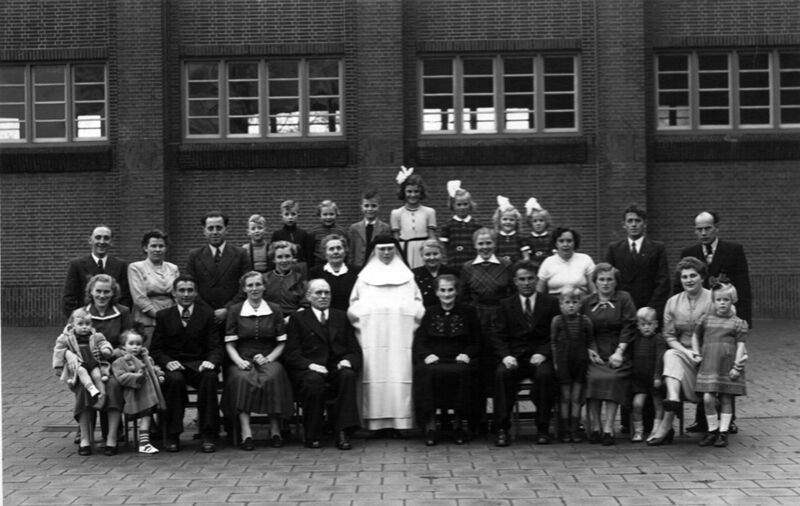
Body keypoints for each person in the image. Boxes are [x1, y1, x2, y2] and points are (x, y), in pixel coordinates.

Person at [680, 211, 751, 435]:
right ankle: (703, 420)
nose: (703, 233)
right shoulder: (689, 253)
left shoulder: (733, 250)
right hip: (703, 321)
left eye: (707, 228)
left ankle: (729, 420)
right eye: (699, 229)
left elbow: (744, 286)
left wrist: (744, 322)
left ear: (716, 228)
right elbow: (681, 286)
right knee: (705, 370)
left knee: (728, 367)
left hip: (728, 320)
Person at [348, 234, 425, 433]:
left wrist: (408, 317)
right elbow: (354, 305)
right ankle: (373, 424)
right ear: (374, 251)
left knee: (400, 375)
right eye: (382, 249)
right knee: (373, 377)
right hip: (371, 336)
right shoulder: (364, 278)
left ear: (396, 250)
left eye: (390, 248)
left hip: (401, 335)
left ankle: (402, 423)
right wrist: (364, 318)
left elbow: (418, 303)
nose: (386, 252)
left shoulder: (407, 277)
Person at [605, 203, 670, 435]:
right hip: (625, 315)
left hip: (648, 317)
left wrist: (650, 311)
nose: (633, 225)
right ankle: (628, 421)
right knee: (628, 363)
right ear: (624, 224)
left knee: (649, 364)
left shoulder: (657, 248)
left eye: (637, 221)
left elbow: (662, 280)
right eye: (630, 221)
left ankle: (651, 420)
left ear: (644, 224)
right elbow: (611, 282)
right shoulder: (615, 249)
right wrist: (624, 310)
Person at [284, 279, 363, 449]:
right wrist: (310, 365)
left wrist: (347, 360)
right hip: (309, 369)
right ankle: (312, 433)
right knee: (313, 381)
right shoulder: (298, 318)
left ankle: (342, 431)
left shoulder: (341, 316)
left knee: (347, 375)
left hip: (335, 367)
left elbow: (354, 350)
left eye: (327, 293)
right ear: (308, 296)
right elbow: (291, 353)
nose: (323, 296)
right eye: (318, 293)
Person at [491, 260, 561, 447]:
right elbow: (498, 335)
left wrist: (544, 353)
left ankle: (543, 428)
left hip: (539, 356)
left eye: (530, 278)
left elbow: (556, 334)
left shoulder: (550, 303)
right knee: (502, 374)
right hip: (514, 357)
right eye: (522, 279)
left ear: (537, 279)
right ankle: (502, 429)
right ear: (515, 281)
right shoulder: (506, 305)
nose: (526, 283)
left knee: (545, 375)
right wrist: (506, 355)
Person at [150, 275, 223, 453]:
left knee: (210, 377)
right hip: (175, 365)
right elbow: (156, 349)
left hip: (199, 364)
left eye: (190, 290)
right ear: (174, 293)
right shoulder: (164, 316)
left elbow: (215, 346)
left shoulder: (206, 314)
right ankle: (173, 434)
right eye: (181, 290)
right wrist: (167, 362)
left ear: (196, 293)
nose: (186, 294)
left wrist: (211, 362)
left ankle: (208, 434)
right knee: (174, 380)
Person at [223, 271, 294, 450]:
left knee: (273, 376)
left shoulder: (275, 309)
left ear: (264, 287)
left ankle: (275, 429)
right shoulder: (235, 310)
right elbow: (230, 344)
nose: (254, 289)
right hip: (242, 356)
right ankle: (246, 432)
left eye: (258, 284)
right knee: (242, 378)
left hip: (268, 355)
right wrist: (238, 361)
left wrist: (269, 358)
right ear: (244, 289)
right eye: (250, 285)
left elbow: (282, 342)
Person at [648, 257, 713, 446]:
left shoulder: (713, 299)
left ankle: (666, 425)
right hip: (685, 356)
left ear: (702, 277)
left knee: (671, 361)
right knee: (670, 354)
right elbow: (669, 336)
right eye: (685, 277)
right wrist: (686, 352)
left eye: (693, 275)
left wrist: (702, 352)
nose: (689, 280)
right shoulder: (673, 302)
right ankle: (673, 398)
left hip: (709, 358)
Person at [413, 274, 480, 446]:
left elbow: (477, 340)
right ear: (437, 292)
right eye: (442, 290)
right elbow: (420, 340)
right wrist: (427, 355)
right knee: (426, 373)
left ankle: (458, 426)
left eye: (450, 290)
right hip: (435, 359)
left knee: (463, 374)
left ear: (456, 291)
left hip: (459, 359)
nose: (447, 294)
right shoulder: (429, 312)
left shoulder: (469, 312)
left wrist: (467, 354)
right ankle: (431, 427)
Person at [70, 274, 132, 455]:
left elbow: (128, 340)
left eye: (107, 291)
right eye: (98, 291)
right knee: (84, 387)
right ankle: (85, 438)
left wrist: (114, 352)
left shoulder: (123, 312)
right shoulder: (80, 313)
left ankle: (112, 438)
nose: (102, 295)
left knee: (113, 386)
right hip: (84, 366)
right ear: (91, 291)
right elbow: (67, 339)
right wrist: (70, 356)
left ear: (113, 292)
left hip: (113, 364)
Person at [460, 227, 513, 431]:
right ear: (475, 245)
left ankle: (501, 421)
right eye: (481, 243)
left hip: (501, 321)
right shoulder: (467, 268)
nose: (485, 247)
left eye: (488, 243)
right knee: (478, 370)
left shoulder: (506, 265)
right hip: (477, 322)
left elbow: (511, 294)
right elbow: (464, 296)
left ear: (495, 244)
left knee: (499, 371)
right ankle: (479, 420)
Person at [581, 263, 637, 446]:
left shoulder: (624, 298)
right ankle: (596, 426)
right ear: (595, 282)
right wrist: (589, 350)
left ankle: (608, 427)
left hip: (619, 352)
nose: (605, 283)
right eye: (601, 279)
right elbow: (581, 329)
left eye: (609, 279)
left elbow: (629, 326)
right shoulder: (586, 302)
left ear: (615, 281)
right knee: (593, 377)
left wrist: (619, 352)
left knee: (613, 378)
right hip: (595, 353)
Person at [693, 283, 749, 448]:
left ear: (733, 301)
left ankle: (723, 432)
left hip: (727, 365)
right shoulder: (706, 319)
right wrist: (696, 353)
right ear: (713, 301)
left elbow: (740, 345)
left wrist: (737, 367)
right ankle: (712, 430)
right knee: (707, 397)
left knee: (726, 398)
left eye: (726, 300)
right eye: (718, 300)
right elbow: (695, 336)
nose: (722, 303)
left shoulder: (737, 323)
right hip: (709, 364)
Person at [185, 211, 250, 329]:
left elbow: (246, 286)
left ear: (226, 230)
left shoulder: (241, 254)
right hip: (204, 317)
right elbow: (191, 287)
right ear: (204, 231)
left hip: (233, 317)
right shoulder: (194, 255)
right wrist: (208, 311)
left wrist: (227, 309)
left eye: (219, 228)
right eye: (210, 228)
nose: (215, 232)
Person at [550, 286, 593, 443]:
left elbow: (590, 341)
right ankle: (564, 430)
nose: (571, 306)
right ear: (561, 304)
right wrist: (555, 362)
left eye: (574, 302)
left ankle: (574, 429)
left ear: (580, 304)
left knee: (576, 397)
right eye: (567, 302)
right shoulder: (557, 321)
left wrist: (592, 355)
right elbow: (553, 343)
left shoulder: (585, 321)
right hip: (563, 362)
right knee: (565, 397)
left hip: (580, 362)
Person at [111, 330, 166, 454]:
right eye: (131, 344)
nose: (135, 347)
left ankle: (144, 442)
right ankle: (144, 443)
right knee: (145, 414)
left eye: (138, 344)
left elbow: (153, 370)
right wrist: (137, 377)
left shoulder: (147, 358)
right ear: (123, 346)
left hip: (148, 393)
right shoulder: (120, 361)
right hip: (134, 394)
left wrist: (158, 375)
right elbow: (121, 377)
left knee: (147, 415)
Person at [53, 308, 114, 415]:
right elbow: (59, 349)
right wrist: (58, 365)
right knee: (81, 372)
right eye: (80, 324)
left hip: (93, 361)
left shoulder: (96, 336)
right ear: (73, 325)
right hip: (79, 363)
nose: (84, 327)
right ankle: (91, 388)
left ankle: (102, 394)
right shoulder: (67, 337)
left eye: (87, 324)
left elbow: (103, 342)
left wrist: (106, 349)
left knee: (97, 375)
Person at [63, 225, 131, 317]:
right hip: (86, 320)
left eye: (106, 238)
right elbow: (69, 298)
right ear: (90, 240)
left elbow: (126, 297)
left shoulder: (121, 265)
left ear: (111, 242)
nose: (102, 242)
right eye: (98, 237)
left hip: (113, 320)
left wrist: (119, 317)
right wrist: (77, 319)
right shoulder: (77, 265)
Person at [127, 229, 179, 345]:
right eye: (153, 246)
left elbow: (177, 295)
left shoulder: (173, 268)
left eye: (161, 246)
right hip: (147, 321)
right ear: (146, 248)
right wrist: (160, 316)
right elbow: (139, 298)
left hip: (171, 320)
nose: (157, 249)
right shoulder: (136, 268)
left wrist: (174, 316)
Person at [629, 307, 665, 443]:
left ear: (656, 324)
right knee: (637, 404)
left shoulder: (658, 339)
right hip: (640, 380)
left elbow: (660, 358)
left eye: (649, 324)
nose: (646, 327)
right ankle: (638, 431)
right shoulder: (636, 340)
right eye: (643, 324)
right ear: (638, 326)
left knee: (658, 405)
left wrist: (658, 376)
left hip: (654, 379)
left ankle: (656, 430)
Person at [390, 167, 437, 269]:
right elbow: (396, 238)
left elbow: (432, 236)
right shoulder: (396, 213)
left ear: (421, 192)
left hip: (423, 250)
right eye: (409, 191)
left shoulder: (429, 212)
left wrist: (433, 252)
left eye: (416, 191)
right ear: (403, 192)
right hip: (404, 250)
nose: (413, 195)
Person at [537, 227, 596, 295]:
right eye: (561, 241)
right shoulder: (548, 262)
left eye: (569, 241)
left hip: (580, 299)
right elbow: (539, 292)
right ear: (555, 243)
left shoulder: (585, 259)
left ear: (575, 242)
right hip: (555, 301)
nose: (565, 244)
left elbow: (594, 291)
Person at [308, 234, 359, 312]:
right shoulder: (315, 273)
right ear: (325, 253)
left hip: (351, 315)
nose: (336, 252)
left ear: (345, 251)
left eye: (339, 248)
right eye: (331, 249)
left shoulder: (357, 272)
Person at [439, 181, 480, 271]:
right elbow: (444, 246)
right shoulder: (448, 226)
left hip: (472, 264)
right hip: (454, 264)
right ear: (453, 205)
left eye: (465, 204)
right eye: (459, 204)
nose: (462, 207)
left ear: (470, 205)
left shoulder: (476, 225)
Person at [347, 190, 391, 268]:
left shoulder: (385, 228)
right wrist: (351, 268)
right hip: (358, 267)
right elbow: (351, 252)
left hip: (377, 266)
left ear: (379, 207)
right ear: (361, 207)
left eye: (373, 206)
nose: (370, 209)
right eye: (366, 206)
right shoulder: (354, 228)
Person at [263, 240, 307, 317]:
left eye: (287, 256)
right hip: (269, 318)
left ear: (293, 258)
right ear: (273, 259)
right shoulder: (265, 278)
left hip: (294, 318)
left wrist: (292, 318)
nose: (284, 260)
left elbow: (305, 304)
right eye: (280, 257)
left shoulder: (299, 279)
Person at [412, 239, 459, 308]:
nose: (432, 257)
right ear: (422, 256)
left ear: (442, 254)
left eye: (435, 254)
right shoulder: (414, 275)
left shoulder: (453, 273)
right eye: (427, 254)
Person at [271, 200, 315, 267]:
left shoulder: (304, 234)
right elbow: (273, 255)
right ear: (281, 216)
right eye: (286, 214)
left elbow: (309, 256)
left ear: (298, 215)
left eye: (293, 214)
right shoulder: (277, 235)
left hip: (301, 268)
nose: (290, 217)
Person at [308, 199, 347, 268]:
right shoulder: (313, 232)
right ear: (319, 215)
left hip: (338, 265)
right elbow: (309, 253)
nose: (328, 217)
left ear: (336, 214)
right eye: (325, 214)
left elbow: (346, 251)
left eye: (331, 214)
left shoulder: (342, 231)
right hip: (319, 266)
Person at [521, 197, 553, 268]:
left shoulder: (551, 239)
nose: (538, 223)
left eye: (541, 220)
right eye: (535, 221)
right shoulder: (527, 240)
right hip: (533, 267)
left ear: (546, 222)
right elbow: (526, 258)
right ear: (530, 223)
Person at [493, 196, 525, 264]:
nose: (508, 222)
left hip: (516, 266)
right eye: (505, 219)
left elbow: (526, 258)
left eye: (511, 220)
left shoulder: (520, 238)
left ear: (516, 221)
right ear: (499, 220)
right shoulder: (495, 238)